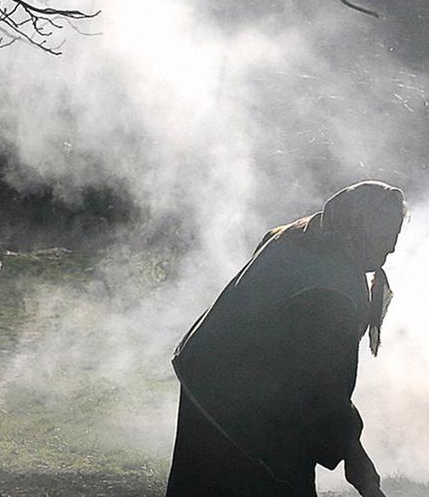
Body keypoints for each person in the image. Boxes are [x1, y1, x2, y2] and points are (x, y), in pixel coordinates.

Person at [167, 180, 406, 497]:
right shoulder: (334, 290)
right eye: (383, 237)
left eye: (395, 237)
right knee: (276, 482)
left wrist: (348, 449)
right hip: (237, 395)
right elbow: (326, 386)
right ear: (358, 229)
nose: (391, 248)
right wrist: (353, 452)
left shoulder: (300, 233)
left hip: (209, 374)